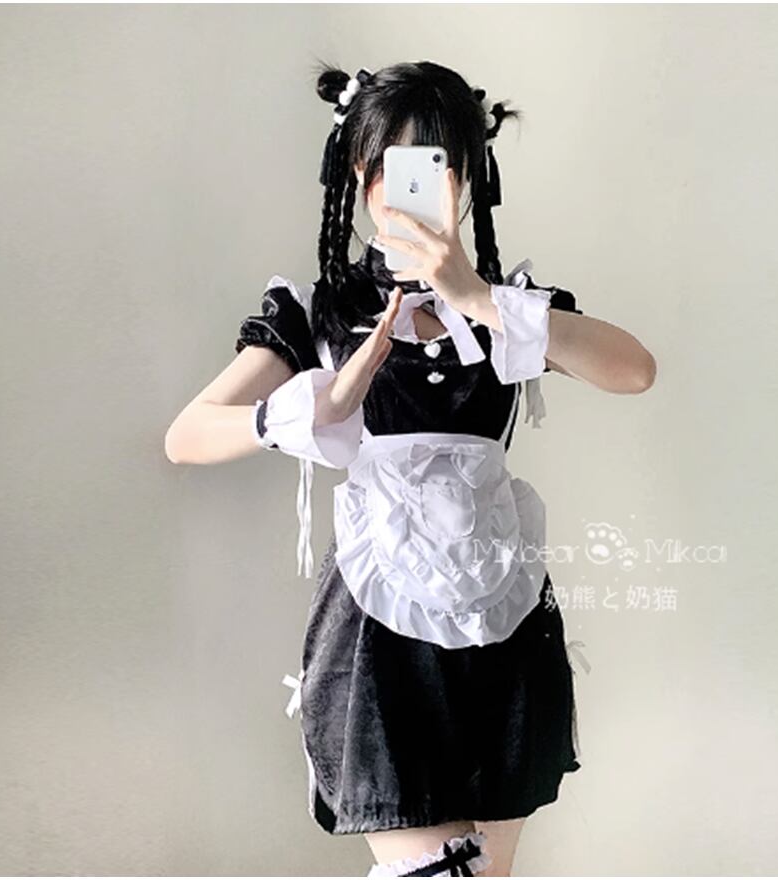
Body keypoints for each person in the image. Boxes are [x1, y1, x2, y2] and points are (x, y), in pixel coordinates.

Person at [165, 60, 656, 878]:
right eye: (389, 165)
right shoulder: (320, 312)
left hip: (503, 619)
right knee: (437, 873)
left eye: (436, 164)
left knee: (487, 874)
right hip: (377, 627)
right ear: (356, 171)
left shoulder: (511, 309)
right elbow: (187, 436)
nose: (409, 189)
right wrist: (308, 408)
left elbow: (633, 370)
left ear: (468, 178)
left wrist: (475, 295)